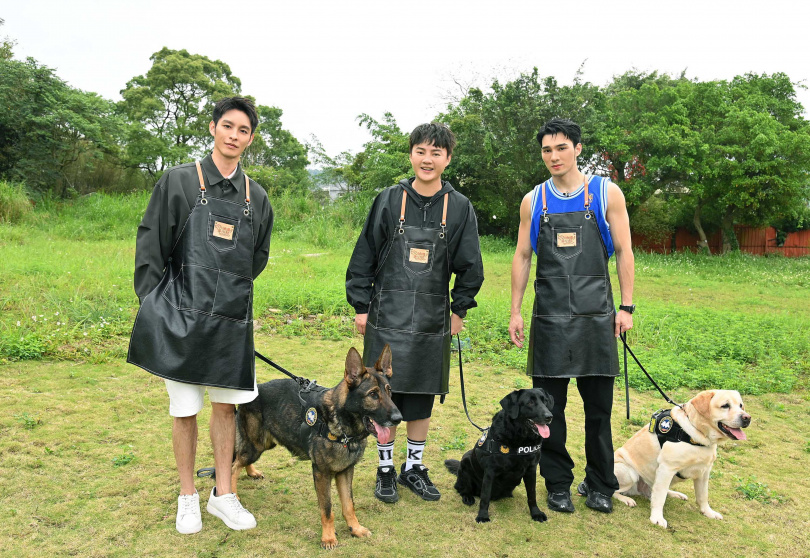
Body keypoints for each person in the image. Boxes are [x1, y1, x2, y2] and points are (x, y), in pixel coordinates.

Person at [128, 97, 273, 533]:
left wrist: (226, 297)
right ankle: (188, 496)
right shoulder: (178, 182)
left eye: (243, 130)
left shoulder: (257, 198)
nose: (233, 135)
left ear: (250, 138)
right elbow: (151, 248)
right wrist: (156, 309)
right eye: (227, 126)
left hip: (230, 325)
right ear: (213, 128)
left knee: (227, 411)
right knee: (185, 409)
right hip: (180, 319)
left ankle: (223, 494)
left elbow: (257, 258)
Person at [346, 122, 484, 504]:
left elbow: (471, 266)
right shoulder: (390, 200)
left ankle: (414, 468)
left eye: (436, 153)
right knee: (381, 396)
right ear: (411, 154)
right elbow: (364, 256)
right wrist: (360, 305)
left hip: (430, 320)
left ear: (447, 158)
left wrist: (460, 310)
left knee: (421, 396)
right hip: (385, 316)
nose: (428, 159)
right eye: (421, 151)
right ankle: (386, 468)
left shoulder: (459, 207)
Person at [509, 118, 635, 514]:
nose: (554, 156)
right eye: (547, 150)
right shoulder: (535, 201)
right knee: (550, 411)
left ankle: (600, 484)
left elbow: (625, 252)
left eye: (561, 148)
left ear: (578, 149)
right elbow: (523, 255)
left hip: (597, 317)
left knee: (599, 411)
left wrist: (626, 307)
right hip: (548, 320)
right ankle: (558, 483)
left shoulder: (605, 193)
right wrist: (515, 310)